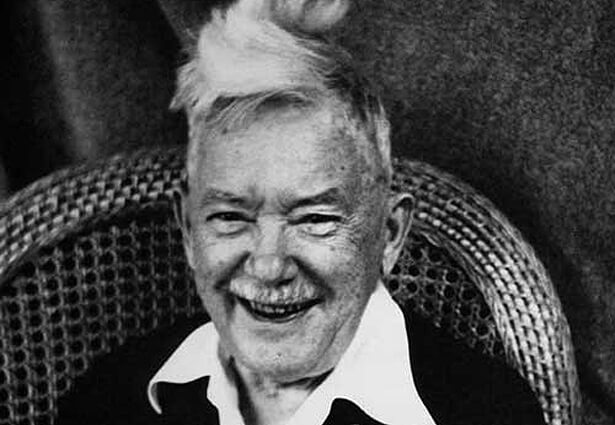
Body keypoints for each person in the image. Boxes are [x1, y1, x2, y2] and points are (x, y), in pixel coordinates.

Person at [58, 1, 545, 424]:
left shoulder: (483, 411)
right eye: (230, 218)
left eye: (314, 219)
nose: (268, 266)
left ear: (390, 233)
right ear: (188, 229)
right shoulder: (111, 399)